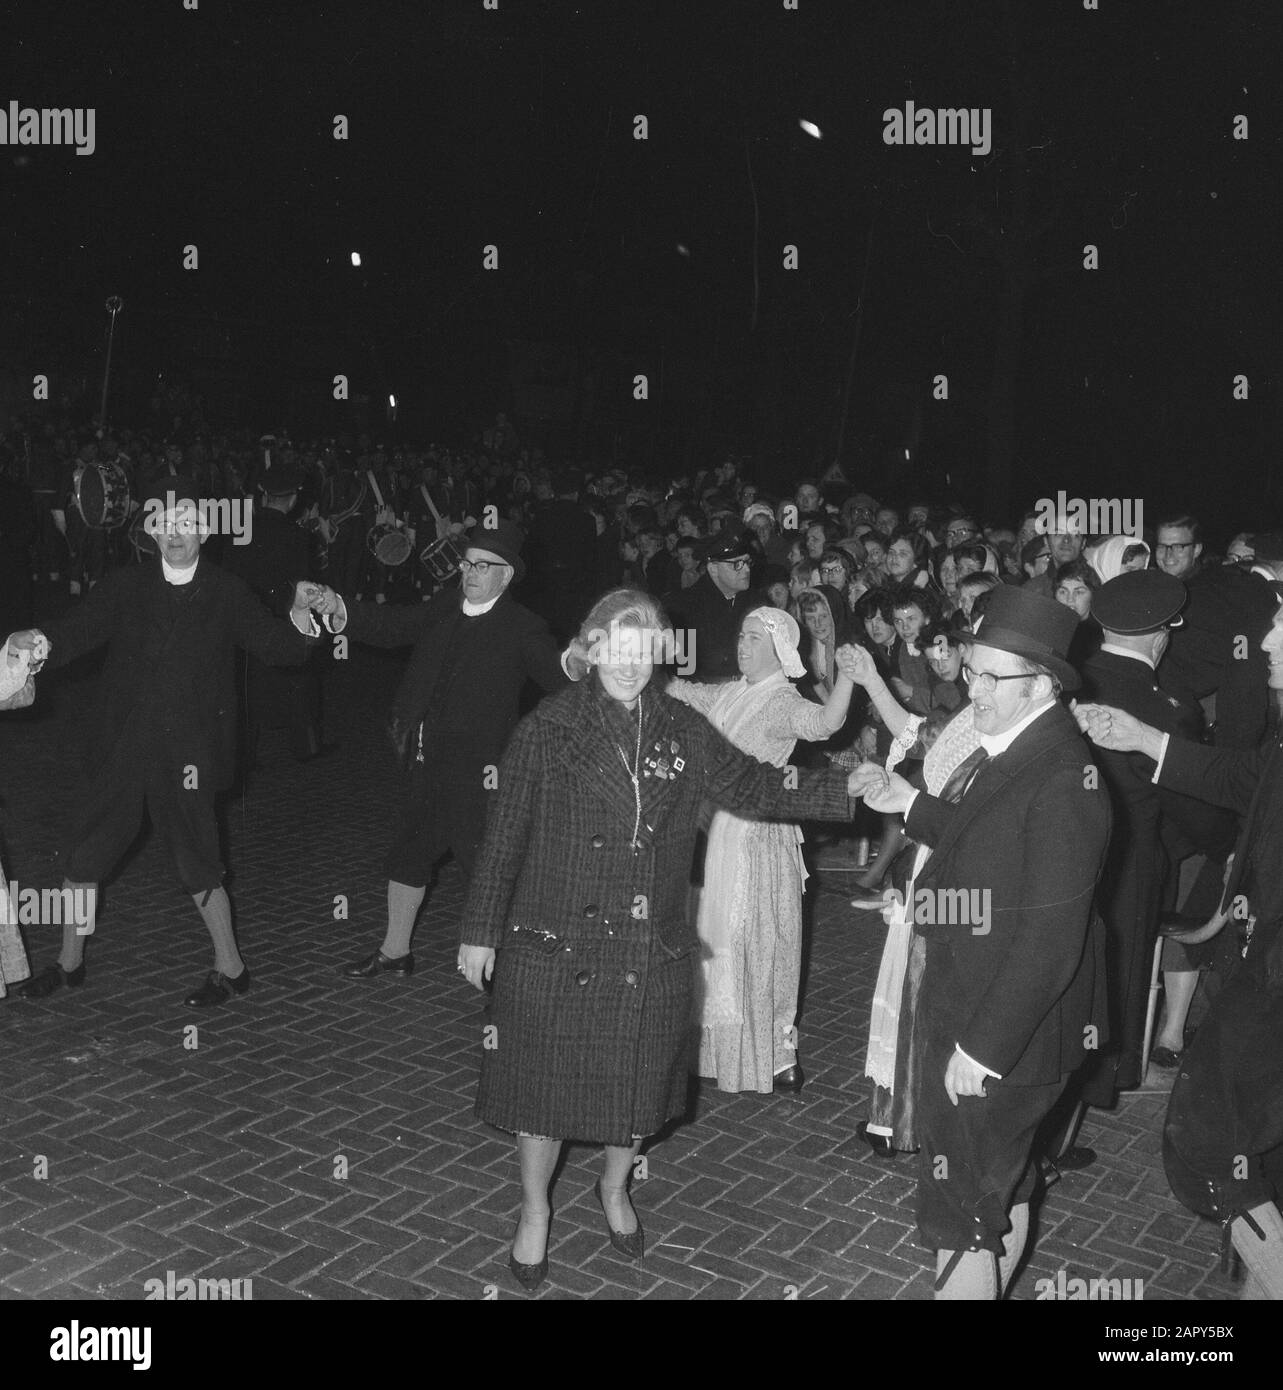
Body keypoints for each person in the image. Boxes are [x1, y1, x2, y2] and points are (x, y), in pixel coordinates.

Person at [455, 589, 875, 1290]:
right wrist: (479, 930)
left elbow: (758, 786)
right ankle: (534, 1210)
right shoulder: (547, 728)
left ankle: (615, 1188)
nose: (627, 664)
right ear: (589, 650)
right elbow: (504, 835)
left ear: (659, 654)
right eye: (614, 649)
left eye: (642, 650)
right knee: (543, 1090)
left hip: (647, 937)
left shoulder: (682, 728)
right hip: (557, 935)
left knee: (639, 1082)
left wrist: (845, 787)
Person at [861, 585, 1111, 1298]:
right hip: (993, 1011)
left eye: (993, 678)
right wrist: (908, 805)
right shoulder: (1018, 747)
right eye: (971, 670)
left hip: (1005, 1031)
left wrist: (983, 1048)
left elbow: (1049, 935)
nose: (974, 691)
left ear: (1043, 685)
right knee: (1003, 1182)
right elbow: (991, 847)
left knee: (964, 1208)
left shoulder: (1064, 777)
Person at [5, 476, 322, 1007]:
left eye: (187, 525)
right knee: (85, 853)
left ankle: (232, 967)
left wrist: (308, 615)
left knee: (197, 860)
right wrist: (33, 641)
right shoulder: (127, 586)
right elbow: (76, 631)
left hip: (188, 753)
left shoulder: (226, 591)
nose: (176, 534)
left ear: (204, 533)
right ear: (152, 534)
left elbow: (280, 649)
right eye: (165, 525)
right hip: (125, 742)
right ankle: (68, 964)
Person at [1074, 586, 1283, 1298]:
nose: (1264, 644)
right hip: (1255, 966)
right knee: (1256, 1159)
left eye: (1281, 629)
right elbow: (1240, 778)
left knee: (1206, 1146)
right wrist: (1142, 738)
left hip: (1272, 981)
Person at [307, 520, 579, 978]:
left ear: (506, 575)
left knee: (485, 866)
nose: (470, 573)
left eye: (483, 566)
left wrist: (574, 661)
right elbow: (392, 625)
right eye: (467, 564)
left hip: (481, 772)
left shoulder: (522, 626)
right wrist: (340, 607)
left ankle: (505, 971)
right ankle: (396, 951)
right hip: (425, 757)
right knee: (410, 850)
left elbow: (555, 672)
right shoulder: (444, 606)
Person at [665, 608, 858, 1094]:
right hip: (714, 833)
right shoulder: (730, 692)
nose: (742, 645)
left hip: (758, 839)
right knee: (713, 934)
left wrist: (852, 679)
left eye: (754, 638)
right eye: (742, 636)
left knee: (761, 943)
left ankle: (774, 1053)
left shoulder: (780, 702)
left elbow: (825, 724)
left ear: (779, 650)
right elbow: (679, 691)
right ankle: (714, 1048)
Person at [666, 528, 763, 683]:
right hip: (707, 695)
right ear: (713, 569)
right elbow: (681, 672)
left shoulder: (758, 602)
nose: (746, 569)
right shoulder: (684, 607)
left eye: (747, 562)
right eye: (737, 564)